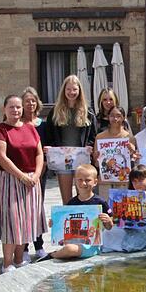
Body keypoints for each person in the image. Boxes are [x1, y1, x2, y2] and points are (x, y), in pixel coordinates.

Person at [0, 95, 47, 273]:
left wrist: (36, 174)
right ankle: (7, 263)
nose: (15, 110)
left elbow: (39, 153)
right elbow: (1, 157)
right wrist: (21, 176)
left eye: (18, 107)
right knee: (12, 221)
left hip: (31, 180)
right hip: (10, 179)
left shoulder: (30, 128)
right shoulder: (1, 129)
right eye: (12, 107)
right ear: (4, 109)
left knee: (26, 221)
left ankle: (19, 258)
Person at [38, 164, 114, 261]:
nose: (83, 183)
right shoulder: (71, 203)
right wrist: (54, 223)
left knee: (70, 249)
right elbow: (63, 225)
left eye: (88, 180)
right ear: (75, 181)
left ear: (95, 182)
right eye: (80, 180)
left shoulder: (100, 202)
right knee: (69, 248)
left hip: (91, 246)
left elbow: (109, 227)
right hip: (72, 241)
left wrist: (108, 221)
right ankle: (61, 253)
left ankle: (53, 255)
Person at [43, 75, 97, 205]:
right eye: (68, 89)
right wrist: (50, 147)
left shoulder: (88, 112)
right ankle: (68, 217)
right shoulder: (55, 111)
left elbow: (93, 135)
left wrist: (90, 146)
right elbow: (49, 134)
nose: (71, 92)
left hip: (81, 158)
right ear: (64, 90)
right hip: (63, 159)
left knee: (84, 196)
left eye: (74, 89)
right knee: (66, 199)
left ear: (79, 90)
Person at [104, 165, 146, 252]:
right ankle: (120, 246)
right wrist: (118, 215)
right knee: (107, 233)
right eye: (134, 181)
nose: (138, 184)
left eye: (141, 180)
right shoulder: (130, 197)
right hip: (131, 229)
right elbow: (122, 221)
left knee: (135, 241)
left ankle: (123, 246)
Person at [21, 87, 49, 262]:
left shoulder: (43, 125)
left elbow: (46, 150)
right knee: (23, 210)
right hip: (22, 173)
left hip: (40, 172)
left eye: (33, 100)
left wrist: (39, 172)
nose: (30, 103)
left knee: (37, 208)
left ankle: (39, 245)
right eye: (27, 101)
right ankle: (23, 247)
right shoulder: (18, 124)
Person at [93, 106, 138, 197]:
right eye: (112, 116)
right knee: (105, 204)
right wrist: (96, 157)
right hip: (105, 181)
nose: (115, 119)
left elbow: (133, 160)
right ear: (108, 117)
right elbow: (96, 164)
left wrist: (133, 152)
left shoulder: (129, 137)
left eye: (118, 116)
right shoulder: (100, 137)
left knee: (121, 204)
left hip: (123, 181)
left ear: (124, 118)